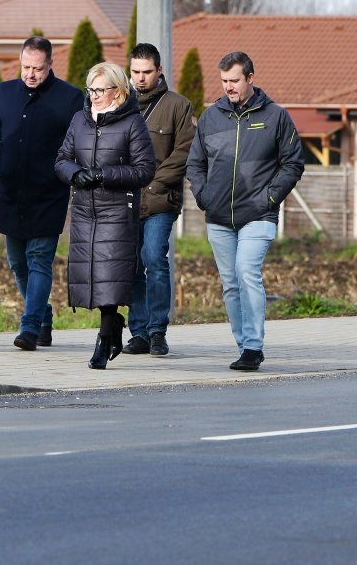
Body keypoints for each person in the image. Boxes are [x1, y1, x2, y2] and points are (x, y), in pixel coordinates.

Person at [185, 50, 305, 371]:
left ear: (250, 78)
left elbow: (293, 162)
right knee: (230, 282)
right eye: (224, 81)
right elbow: (195, 163)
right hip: (219, 216)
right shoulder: (211, 118)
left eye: (235, 80)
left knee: (246, 272)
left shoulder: (276, 117)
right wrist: (203, 195)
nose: (229, 87)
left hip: (259, 214)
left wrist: (270, 198)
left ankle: (253, 345)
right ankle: (243, 346)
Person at [53, 61, 155, 369]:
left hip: (116, 209)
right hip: (85, 209)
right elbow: (61, 159)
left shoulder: (133, 123)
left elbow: (144, 170)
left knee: (110, 275)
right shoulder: (79, 120)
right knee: (92, 275)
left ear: (119, 91)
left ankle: (104, 336)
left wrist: (104, 174)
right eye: (91, 89)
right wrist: (75, 174)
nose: (94, 95)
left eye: (100, 90)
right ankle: (113, 326)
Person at [0, 36, 80, 349]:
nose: (30, 74)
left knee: (39, 260)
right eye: (26, 67)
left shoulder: (70, 98)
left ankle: (29, 328)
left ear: (50, 64)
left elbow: (77, 145)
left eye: (38, 69)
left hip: (49, 195)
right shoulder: (4, 92)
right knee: (18, 263)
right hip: (12, 194)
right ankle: (42, 315)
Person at [122, 42, 195, 357]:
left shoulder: (178, 106)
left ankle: (157, 331)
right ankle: (137, 332)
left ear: (160, 70)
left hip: (161, 200)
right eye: (135, 72)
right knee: (132, 265)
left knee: (153, 257)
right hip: (125, 200)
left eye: (147, 72)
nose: (140, 78)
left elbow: (184, 153)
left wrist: (152, 185)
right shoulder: (120, 103)